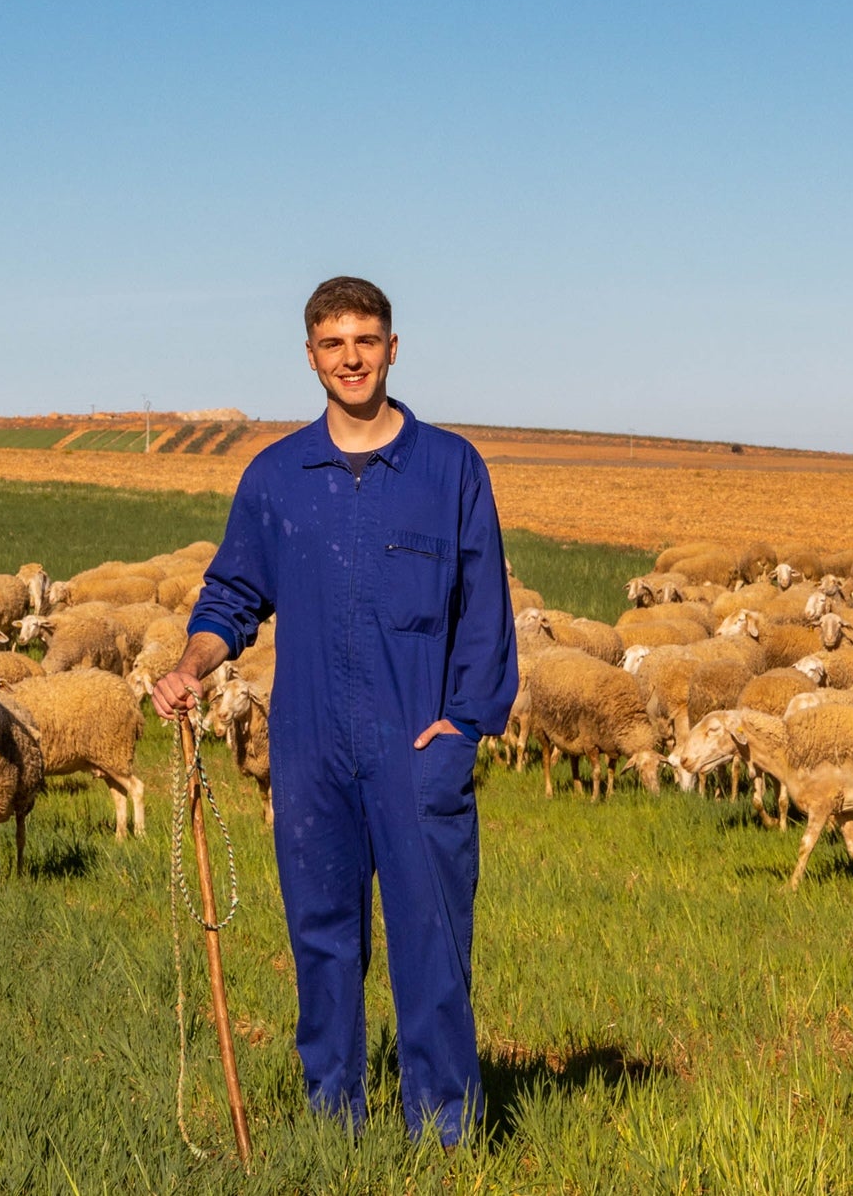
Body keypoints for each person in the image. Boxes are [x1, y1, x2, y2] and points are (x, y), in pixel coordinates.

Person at [152, 276, 517, 1147]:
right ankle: (332, 1132)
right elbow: (232, 594)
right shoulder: (277, 478)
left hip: (417, 744)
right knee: (322, 943)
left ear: (393, 348)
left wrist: (464, 726)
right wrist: (193, 662)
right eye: (332, 343)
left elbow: (486, 613)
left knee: (431, 950)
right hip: (311, 744)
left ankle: (443, 1138)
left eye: (366, 339)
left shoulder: (450, 469)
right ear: (310, 355)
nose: (351, 357)